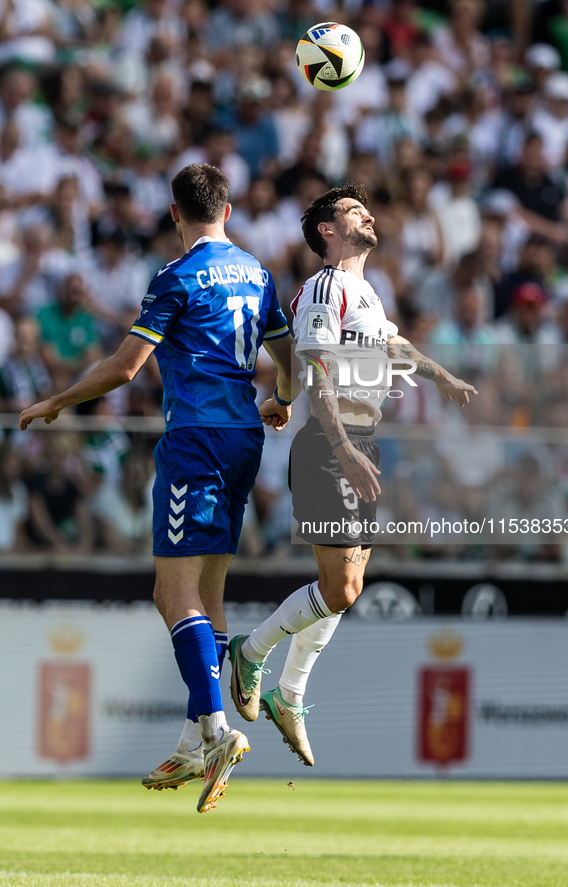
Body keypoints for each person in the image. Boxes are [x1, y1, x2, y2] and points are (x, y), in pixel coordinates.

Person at [19, 162, 297, 814]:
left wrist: (58, 400)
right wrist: (280, 399)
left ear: (175, 215)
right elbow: (287, 359)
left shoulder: (176, 277)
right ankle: (194, 733)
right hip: (244, 439)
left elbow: (125, 367)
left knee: (172, 592)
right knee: (206, 594)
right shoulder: (257, 274)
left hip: (195, 438)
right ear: (226, 211)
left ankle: (216, 729)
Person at [228, 183, 477, 766]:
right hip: (331, 445)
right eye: (350, 210)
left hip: (359, 441)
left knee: (347, 589)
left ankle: (289, 695)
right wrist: (340, 446)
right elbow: (315, 366)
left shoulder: (366, 292)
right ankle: (250, 652)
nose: (366, 213)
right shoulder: (325, 286)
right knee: (340, 588)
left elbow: (393, 344)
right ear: (328, 232)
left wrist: (440, 376)